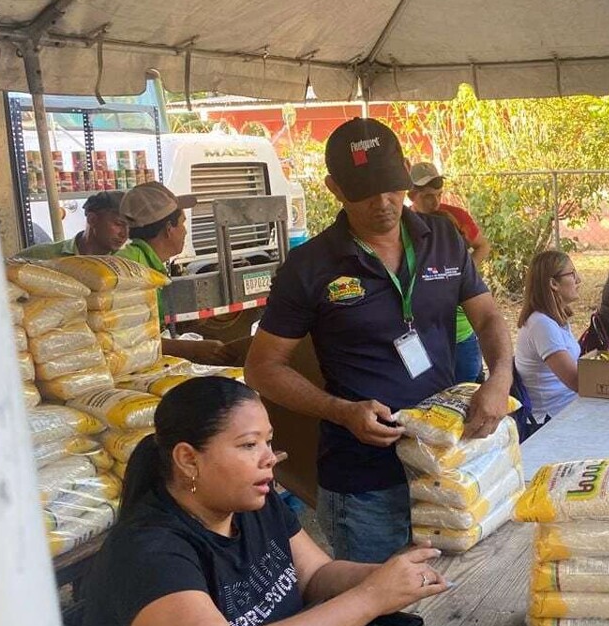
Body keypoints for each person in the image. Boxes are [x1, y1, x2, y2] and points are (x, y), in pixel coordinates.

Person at [73, 376, 447, 626]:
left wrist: (385, 578)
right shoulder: (148, 550)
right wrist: (369, 598)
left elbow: (315, 576)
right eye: (249, 445)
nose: (269, 458)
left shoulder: (252, 503)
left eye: (268, 442)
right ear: (188, 459)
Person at [244, 118, 513, 563]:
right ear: (334, 188)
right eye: (363, 191)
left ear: (405, 172)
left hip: (444, 462)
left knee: (461, 587)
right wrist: (341, 411)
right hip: (365, 483)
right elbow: (262, 368)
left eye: (391, 185)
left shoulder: (443, 238)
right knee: (379, 598)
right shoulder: (309, 266)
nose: (383, 202)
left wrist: (499, 379)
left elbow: (486, 317)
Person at [116, 182, 233, 366]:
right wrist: (190, 349)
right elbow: (126, 339)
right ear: (169, 229)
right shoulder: (131, 269)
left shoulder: (147, 262)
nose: (185, 231)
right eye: (182, 223)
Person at [408, 161, 491, 384]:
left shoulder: (455, 217)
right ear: (411, 195)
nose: (435, 202)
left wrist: (461, 276)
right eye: (428, 196)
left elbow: (483, 246)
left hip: (461, 331)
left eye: (439, 195)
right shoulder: (401, 223)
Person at [516, 250, 582, 425]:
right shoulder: (542, 324)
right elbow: (577, 381)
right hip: (552, 420)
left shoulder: (552, 320)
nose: (579, 280)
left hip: (568, 408)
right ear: (553, 283)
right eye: (572, 274)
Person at [17, 190, 129, 258]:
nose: (124, 234)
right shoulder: (42, 257)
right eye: (119, 224)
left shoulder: (127, 264)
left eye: (130, 227)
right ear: (92, 220)